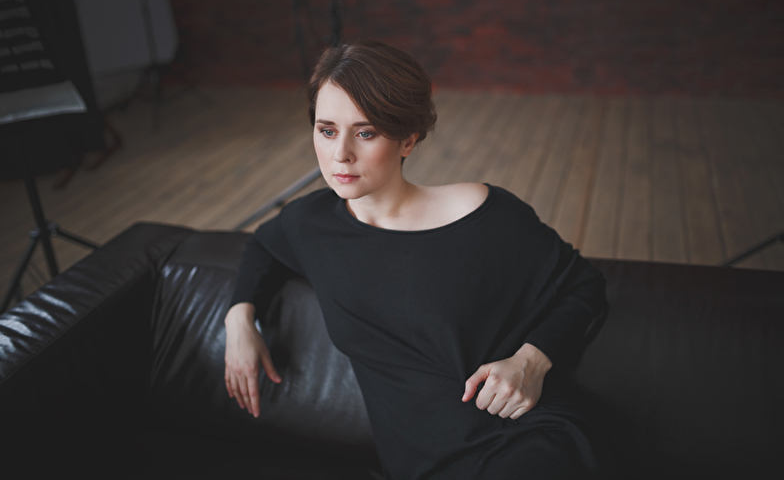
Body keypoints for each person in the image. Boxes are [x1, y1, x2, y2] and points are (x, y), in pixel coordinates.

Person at [225, 40, 615, 479]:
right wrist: (239, 319)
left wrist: (531, 360)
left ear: (407, 139)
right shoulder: (309, 224)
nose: (340, 154)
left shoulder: (482, 214)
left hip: (525, 442)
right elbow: (262, 246)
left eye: (365, 133)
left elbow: (585, 284)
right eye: (327, 130)